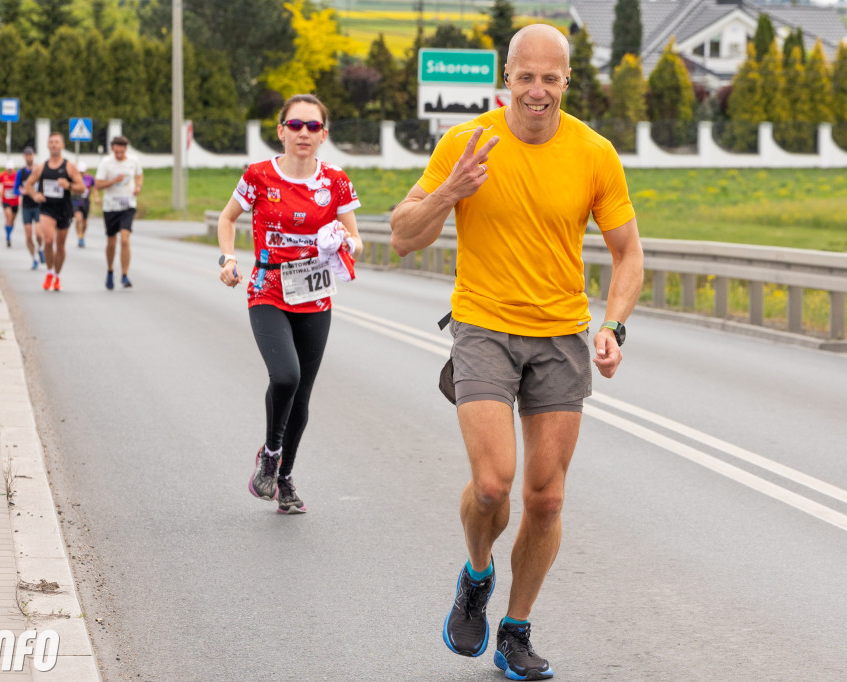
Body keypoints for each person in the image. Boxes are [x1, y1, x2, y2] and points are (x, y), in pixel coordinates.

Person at [390, 24, 644, 681]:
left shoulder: (593, 152)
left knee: (547, 499)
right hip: (483, 327)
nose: (537, 90)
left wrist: (614, 326)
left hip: (561, 334)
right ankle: (477, 575)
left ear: (566, 82)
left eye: (549, 78)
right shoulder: (465, 141)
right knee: (493, 483)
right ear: (506, 78)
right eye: (524, 76)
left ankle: (515, 630)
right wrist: (451, 191)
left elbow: (628, 253)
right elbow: (401, 237)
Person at [217, 94, 363, 515]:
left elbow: (356, 239)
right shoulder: (259, 175)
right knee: (286, 376)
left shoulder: (335, 181)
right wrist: (228, 258)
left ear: (324, 135)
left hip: (315, 294)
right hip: (268, 287)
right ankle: (270, 453)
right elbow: (228, 219)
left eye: (312, 127)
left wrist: (343, 242)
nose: (303, 133)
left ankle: (283, 477)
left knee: (302, 397)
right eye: (295, 125)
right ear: (281, 130)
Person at [21, 132, 86, 291]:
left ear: (62, 145)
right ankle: (49, 271)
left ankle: (57, 276)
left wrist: (68, 185)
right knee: (48, 240)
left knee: (60, 245)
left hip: (64, 209)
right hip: (47, 209)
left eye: (57, 142)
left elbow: (82, 187)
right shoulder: (42, 167)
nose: (54, 145)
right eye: (51, 142)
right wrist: (35, 195)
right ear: (48, 146)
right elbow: (29, 184)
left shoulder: (69, 166)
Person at [94, 136, 143, 289]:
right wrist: (113, 181)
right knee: (111, 242)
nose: (119, 153)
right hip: (110, 206)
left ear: (126, 149)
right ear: (112, 149)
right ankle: (110, 271)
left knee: (125, 239)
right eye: (116, 151)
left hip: (128, 205)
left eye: (121, 151)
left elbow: (139, 175)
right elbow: (98, 184)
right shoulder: (106, 163)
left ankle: (124, 275)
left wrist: (138, 187)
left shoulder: (133, 161)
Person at [14, 147, 45, 269]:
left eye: (30, 155)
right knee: (28, 235)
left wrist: (39, 193)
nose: (29, 157)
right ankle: (34, 258)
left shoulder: (38, 170)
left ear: (33, 156)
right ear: (24, 157)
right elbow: (15, 189)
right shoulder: (20, 173)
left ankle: (41, 249)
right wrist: (21, 192)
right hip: (26, 206)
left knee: (38, 233)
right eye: (26, 155)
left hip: (37, 205)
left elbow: (43, 185)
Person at [0, 160, 20, 247]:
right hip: (6, 200)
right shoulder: (2, 176)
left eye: (11, 169)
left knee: (12, 220)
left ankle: (9, 232)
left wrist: (19, 192)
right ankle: (8, 237)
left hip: (15, 201)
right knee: (8, 216)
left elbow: (21, 185)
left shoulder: (17, 175)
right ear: (5, 169)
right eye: (8, 169)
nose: (9, 171)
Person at [72, 169, 95, 248]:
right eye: (80, 172)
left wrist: (96, 197)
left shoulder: (89, 178)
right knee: (78, 219)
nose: (81, 173)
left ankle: (82, 235)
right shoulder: (74, 178)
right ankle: (79, 236)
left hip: (85, 202)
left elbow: (94, 187)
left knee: (84, 221)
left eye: (83, 172)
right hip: (76, 201)